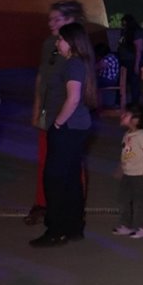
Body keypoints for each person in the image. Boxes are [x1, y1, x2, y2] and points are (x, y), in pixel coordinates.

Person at [30, 22, 98, 248]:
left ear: (71, 42)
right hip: (78, 127)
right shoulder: (81, 63)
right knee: (70, 179)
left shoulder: (73, 64)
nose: (57, 42)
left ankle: (56, 229)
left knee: (55, 178)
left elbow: (73, 98)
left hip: (68, 128)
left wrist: (57, 124)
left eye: (61, 39)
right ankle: (73, 227)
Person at [25, 0, 85, 226]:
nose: (51, 23)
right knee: (45, 160)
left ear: (71, 20)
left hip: (67, 116)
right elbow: (42, 77)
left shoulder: (78, 48)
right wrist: (36, 108)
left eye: (57, 19)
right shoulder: (49, 44)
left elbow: (78, 93)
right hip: (48, 112)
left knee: (70, 163)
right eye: (50, 19)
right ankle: (43, 203)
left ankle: (71, 208)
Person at [112, 104, 143, 237]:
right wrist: (120, 168)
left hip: (139, 174)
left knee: (139, 201)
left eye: (126, 115)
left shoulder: (141, 134)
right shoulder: (126, 134)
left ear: (135, 119)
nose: (122, 116)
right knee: (124, 199)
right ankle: (125, 224)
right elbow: (125, 153)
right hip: (127, 174)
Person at [119, 14, 143, 105]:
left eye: (124, 23)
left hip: (132, 60)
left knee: (134, 82)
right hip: (125, 60)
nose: (123, 25)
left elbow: (139, 49)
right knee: (124, 82)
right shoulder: (124, 31)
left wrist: (136, 64)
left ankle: (135, 103)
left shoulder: (136, 32)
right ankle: (125, 102)